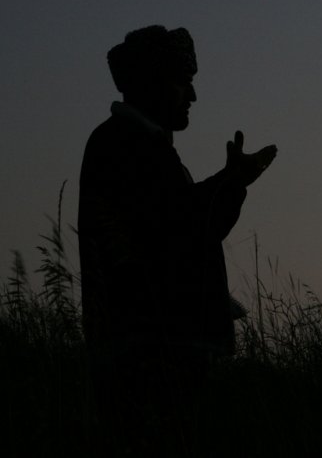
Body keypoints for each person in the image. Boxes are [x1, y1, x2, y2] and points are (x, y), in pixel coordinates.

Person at [78, 25, 276, 455]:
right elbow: (181, 226)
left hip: (148, 351)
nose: (192, 96)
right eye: (183, 82)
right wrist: (232, 182)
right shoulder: (125, 145)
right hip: (149, 356)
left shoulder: (137, 144)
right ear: (152, 82)